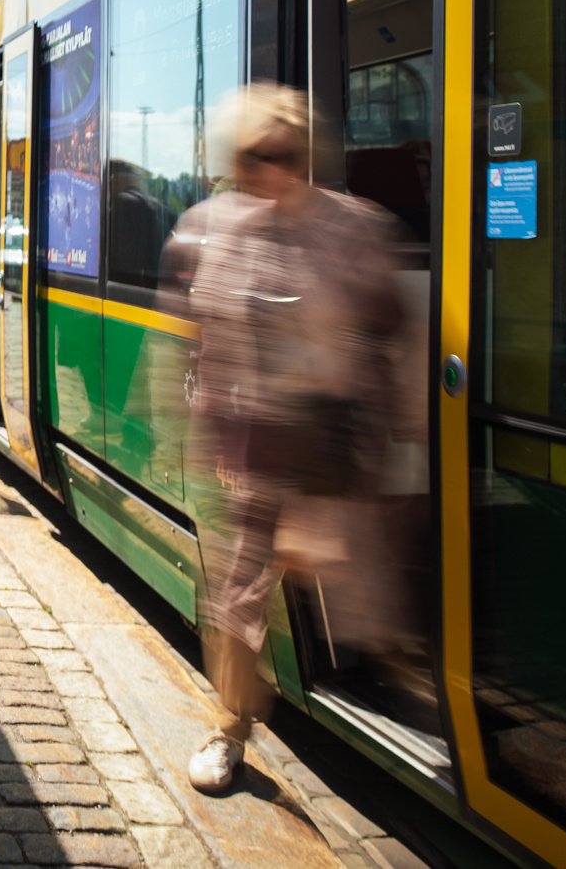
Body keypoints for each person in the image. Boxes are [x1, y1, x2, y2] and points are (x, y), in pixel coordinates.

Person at [165, 83, 403, 795]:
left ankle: (407, 696)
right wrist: (211, 436)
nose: (260, 171)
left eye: (275, 156)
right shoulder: (218, 229)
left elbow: (390, 333)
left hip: (336, 439)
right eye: (247, 157)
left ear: (304, 157)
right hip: (261, 443)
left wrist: (390, 438)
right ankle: (229, 728)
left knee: (368, 581)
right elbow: (202, 342)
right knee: (240, 595)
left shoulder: (355, 228)